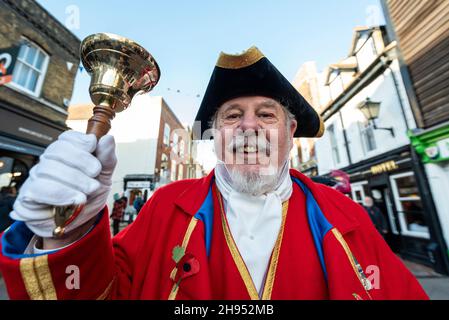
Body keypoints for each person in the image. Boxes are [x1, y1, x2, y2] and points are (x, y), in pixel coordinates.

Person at [0, 47, 427, 300]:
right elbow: (99, 291)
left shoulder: (341, 212)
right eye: (231, 116)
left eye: (266, 114)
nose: (248, 126)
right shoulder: (166, 205)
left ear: (291, 131)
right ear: (214, 134)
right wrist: (64, 234)